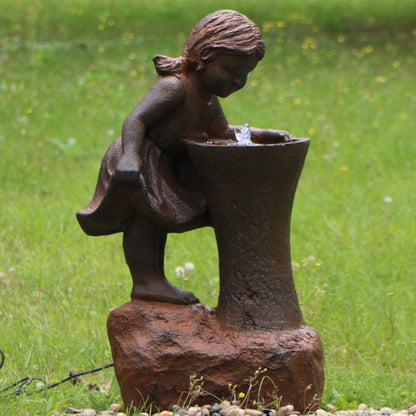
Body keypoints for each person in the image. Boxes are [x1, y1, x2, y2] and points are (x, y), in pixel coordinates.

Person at [77, 9, 289, 304]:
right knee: (145, 220)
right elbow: (136, 120)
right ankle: (147, 280)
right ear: (204, 57)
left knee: (162, 217)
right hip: (143, 159)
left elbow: (223, 132)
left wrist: (262, 134)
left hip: (172, 165)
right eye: (233, 72)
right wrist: (129, 156)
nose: (238, 83)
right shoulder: (174, 87)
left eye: (245, 76)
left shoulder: (208, 97)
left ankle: (239, 286)